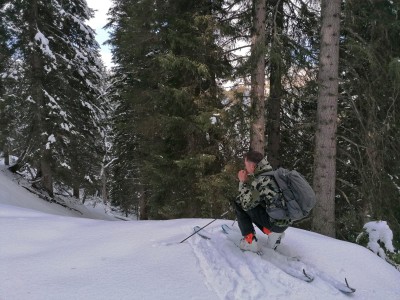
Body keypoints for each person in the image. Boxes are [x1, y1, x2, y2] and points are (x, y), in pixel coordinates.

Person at [234, 150, 289, 252]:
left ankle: (249, 241)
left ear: (252, 167)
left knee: (239, 202)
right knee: (256, 204)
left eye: (246, 165)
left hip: (276, 223)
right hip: (285, 221)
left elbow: (245, 204)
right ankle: (271, 232)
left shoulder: (261, 181)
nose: (245, 168)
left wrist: (242, 182)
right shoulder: (272, 174)